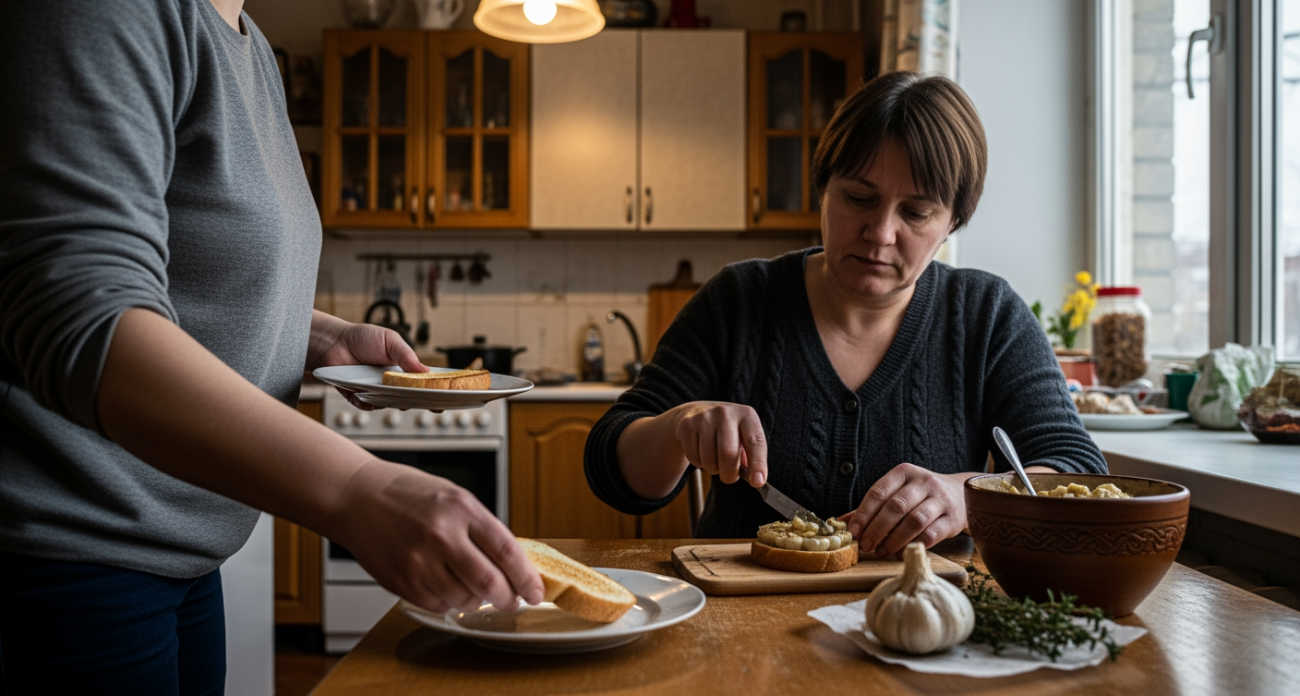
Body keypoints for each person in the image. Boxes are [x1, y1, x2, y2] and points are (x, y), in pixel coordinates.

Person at [0, 1, 541, 693]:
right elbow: (79, 310)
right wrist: (358, 488)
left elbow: (186, 278)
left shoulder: (250, 46)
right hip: (72, 557)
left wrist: (321, 336)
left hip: (185, 553)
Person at [585, 71, 1106, 556]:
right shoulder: (739, 300)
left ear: (953, 222)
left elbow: (1077, 469)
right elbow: (612, 470)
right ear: (823, 189)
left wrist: (968, 495)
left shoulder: (987, 316)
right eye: (858, 198)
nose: (880, 233)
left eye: (916, 212)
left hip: (930, 621)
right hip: (741, 619)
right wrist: (676, 428)